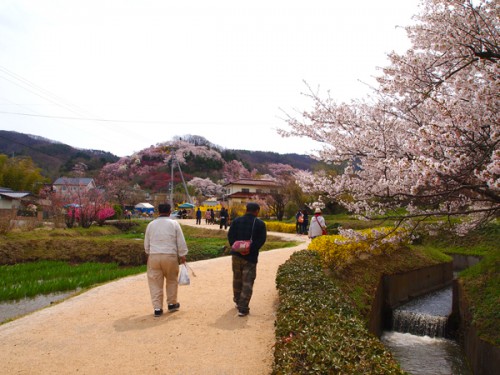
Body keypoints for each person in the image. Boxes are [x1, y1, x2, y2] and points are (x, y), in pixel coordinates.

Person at [144, 203, 188, 317]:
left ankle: (157, 308)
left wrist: (149, 253)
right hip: (170, 255)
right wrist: (182, 255)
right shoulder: (174, 224)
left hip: (154, 255)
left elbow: (146, 244)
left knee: (155, 282)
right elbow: (180, 241)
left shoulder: (151, 224)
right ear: (169, 211)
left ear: (158, 212)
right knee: (172, 280)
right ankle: (172, 304)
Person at [227, 202, 267, 317]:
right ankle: (243, 308)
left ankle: (237, 300)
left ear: (246, 209)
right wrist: (249, 249)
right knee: (247, 281)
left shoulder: (236, 221)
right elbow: (261, 240)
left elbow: (230, 236)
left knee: (237, 279)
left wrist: (237, 248)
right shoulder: (260, 224)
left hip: (236, 255)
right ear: (257, 211)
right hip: (250, 257)